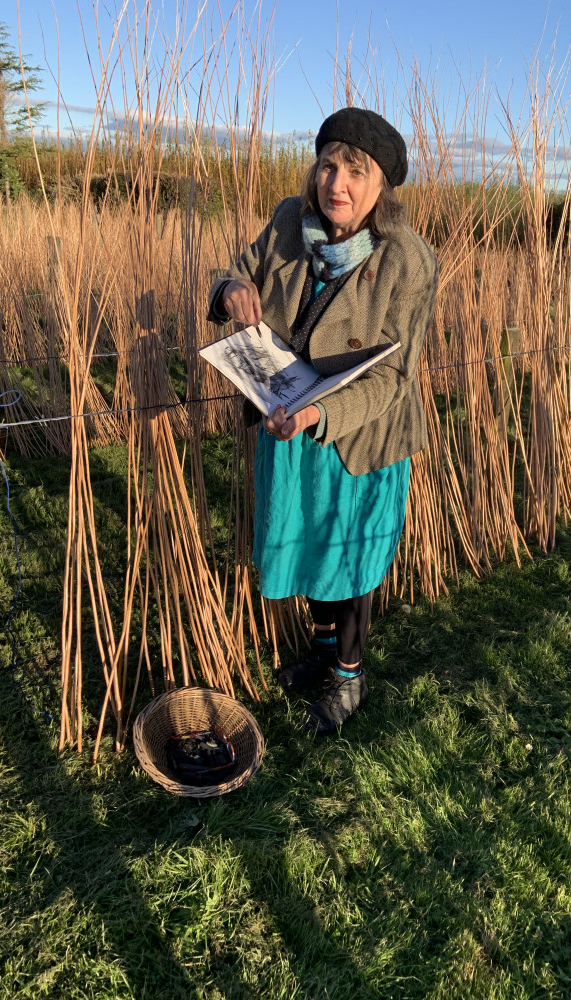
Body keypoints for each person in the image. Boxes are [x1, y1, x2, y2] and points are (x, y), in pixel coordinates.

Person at [208, 107, 439, 735]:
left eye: (355, 173)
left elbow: (394, 378)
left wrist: (322, 411)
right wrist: (230, 290)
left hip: (359, 436)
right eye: (328, 165)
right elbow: (236, 269)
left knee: (349, 557)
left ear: (382, 189)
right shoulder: (289, 221)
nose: (335, 183)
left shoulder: (406, 260)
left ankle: (348, 676)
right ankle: (319, 653)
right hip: (288, 422)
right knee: (309, 547)